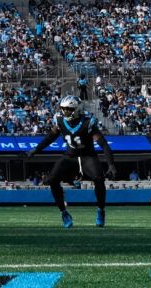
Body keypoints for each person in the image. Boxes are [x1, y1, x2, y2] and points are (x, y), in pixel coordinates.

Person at [28, 94, 117, 228]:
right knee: (52, 179)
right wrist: (35, 150)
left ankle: (101, 210)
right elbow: (51, 137)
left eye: (68, 109)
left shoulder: (87, 122)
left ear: (77, 109)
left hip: (88, 156)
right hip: (70, 156)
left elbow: (103, 144)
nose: (65, 112)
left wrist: (111, 164)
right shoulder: (59, 120)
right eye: (63, 108)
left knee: (99, 179)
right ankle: (64, 212)